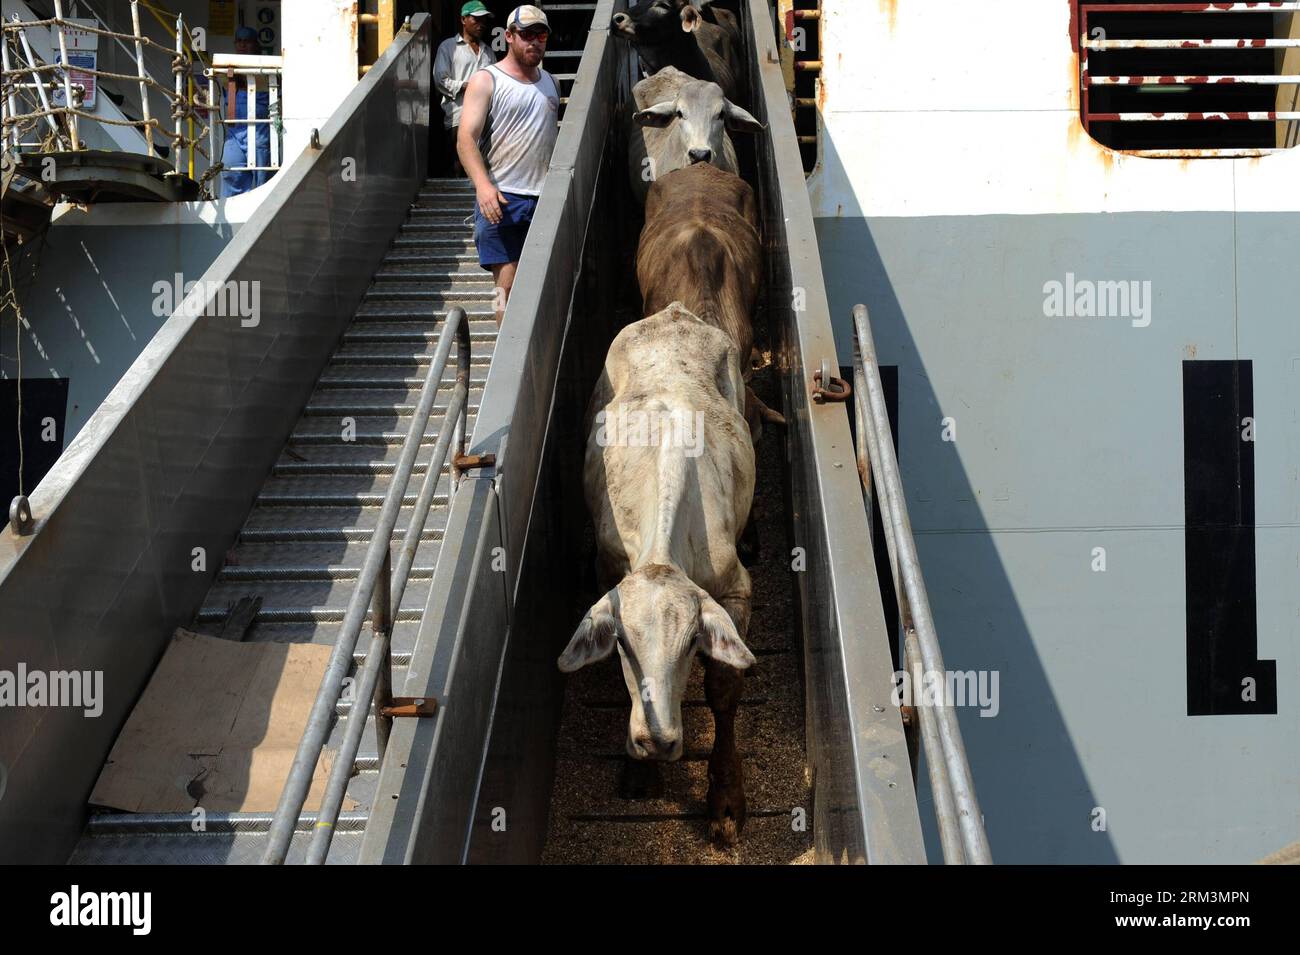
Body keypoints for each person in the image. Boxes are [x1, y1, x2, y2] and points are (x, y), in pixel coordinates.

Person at [457, 5, 559, 326]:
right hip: (503, 199)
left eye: (540, 35)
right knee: (508, 286)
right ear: (509, 36)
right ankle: (506, 356)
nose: (535, 42)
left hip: (543, 200)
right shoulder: (487, 80)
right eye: (527, 35)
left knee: (546, 291)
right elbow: (465, 139)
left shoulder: (552, 83)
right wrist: (483, 186)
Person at [434, 2, 498, 176]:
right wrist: (466, 86)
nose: (481, 24)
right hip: (458, 115)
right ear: (463, 19)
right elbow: (440, 80)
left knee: (481, 164)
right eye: (476, 19)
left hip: (485, 118)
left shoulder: (488, 52)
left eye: (484, 20)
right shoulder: (448, 47)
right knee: (459, 162)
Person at [220, 26, 272, 198]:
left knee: (261, 182)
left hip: (259, 132)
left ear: (256, 44)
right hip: (234, 133)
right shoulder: (227, 69)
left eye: (247, 41)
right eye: (239, 41)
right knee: (229, 171)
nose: (242, 45)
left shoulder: (267, 67)